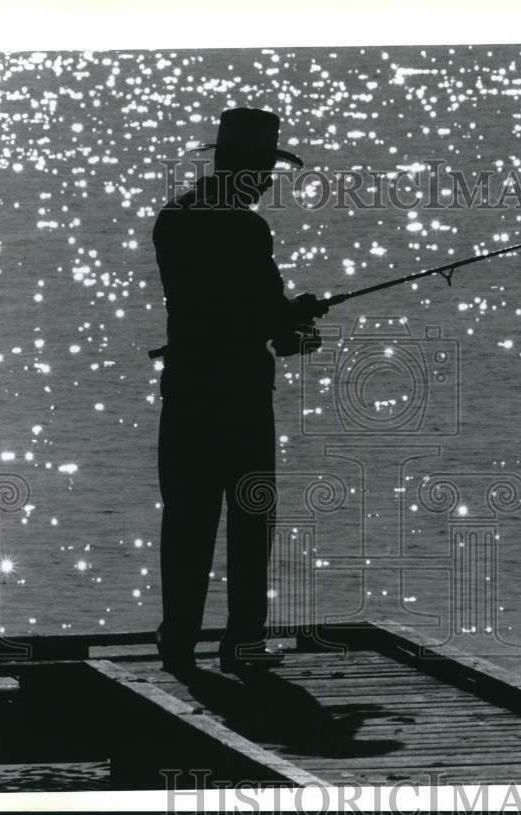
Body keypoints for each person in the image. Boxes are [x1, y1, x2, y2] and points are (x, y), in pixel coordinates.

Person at [152, 108, 327, 675]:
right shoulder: (246, 229)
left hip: (186, 393)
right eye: (265, 171)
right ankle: (243, 642)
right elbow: (262, 315)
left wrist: (278, 319)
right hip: (241, 396)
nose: (269, 182)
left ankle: (178, 642)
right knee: (251, 517)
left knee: (186, 519)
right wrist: (294, 318)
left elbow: (215, 307)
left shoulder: (173, 219)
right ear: (244, 169)